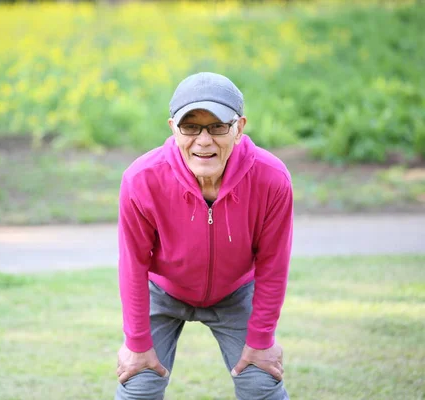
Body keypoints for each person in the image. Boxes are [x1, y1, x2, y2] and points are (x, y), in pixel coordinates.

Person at [115, 72, 293, 400]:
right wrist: (137, 345)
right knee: (138, 387)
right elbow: (132, 266)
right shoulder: (141, 179)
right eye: (191, 126)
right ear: (173, 128)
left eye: (217, 127)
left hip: (235, 292)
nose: (204, 140)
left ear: (239, 128)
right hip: (163, 292)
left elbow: (273, 266)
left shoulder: (271, 179)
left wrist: (261, 340)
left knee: (261, 385)